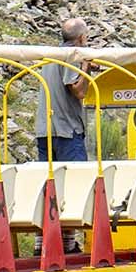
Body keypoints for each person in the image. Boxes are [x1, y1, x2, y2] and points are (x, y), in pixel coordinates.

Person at [31, 17, 90, 163]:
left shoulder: (51, 56)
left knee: (51, 182)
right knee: (76, 180)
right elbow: (79, 92)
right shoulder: (72, 56)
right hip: (67, 131)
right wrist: (86, 68)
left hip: (45, 131)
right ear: (81, 38)